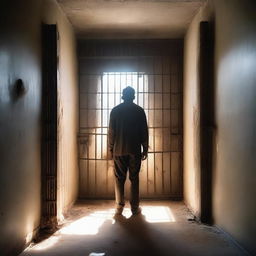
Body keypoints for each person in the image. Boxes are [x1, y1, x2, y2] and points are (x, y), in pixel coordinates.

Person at [108, 86, 149, 215]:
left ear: (123, 96)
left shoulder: (115, 111)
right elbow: (144, 131)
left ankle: (119, 207)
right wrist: (145, 148)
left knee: (119, 178)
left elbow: (111, 132)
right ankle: (135, 207)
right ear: (133, 96)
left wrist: (110, 148)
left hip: (119, 150)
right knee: (134, 178)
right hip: (134, 149)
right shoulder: (139, 111)